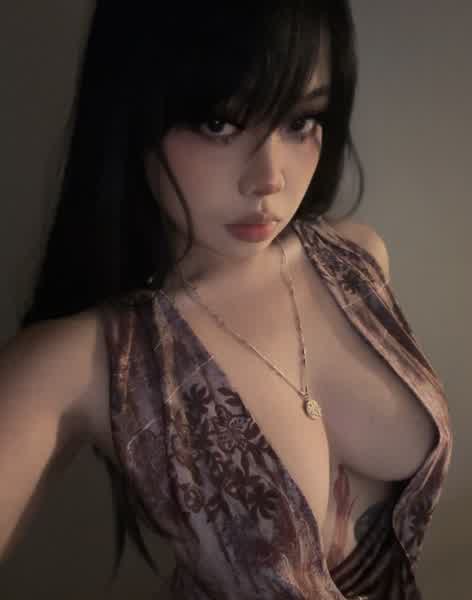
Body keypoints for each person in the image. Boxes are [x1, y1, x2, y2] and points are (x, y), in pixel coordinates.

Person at [0, 1, 453, 599]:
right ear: (135, 114)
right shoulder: (81, 362)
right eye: (219, 123)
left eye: (300, 120)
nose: (270, 178)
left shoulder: (357, 258)